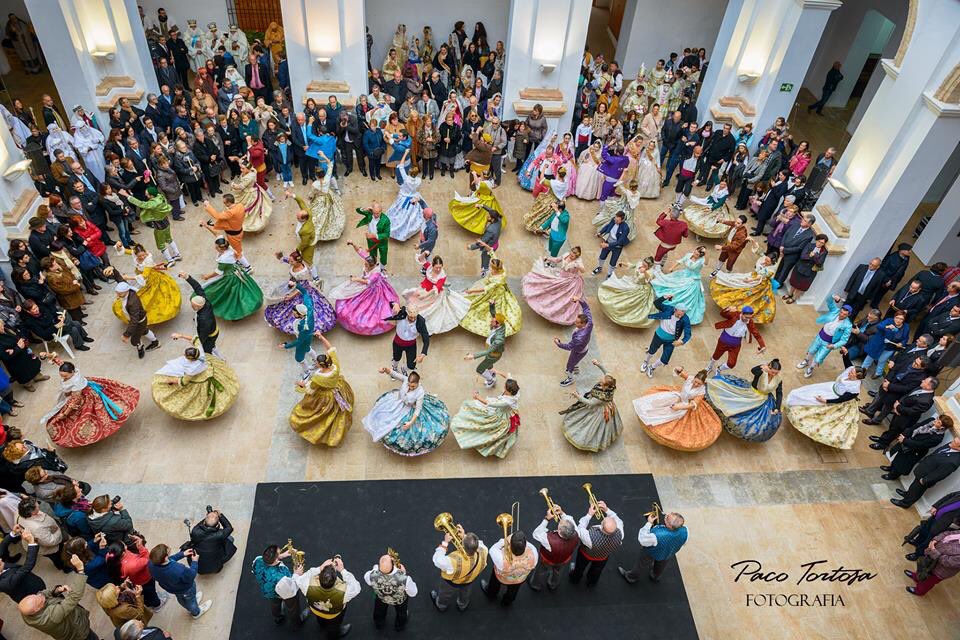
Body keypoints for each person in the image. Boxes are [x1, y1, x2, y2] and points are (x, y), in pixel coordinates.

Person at [39, 358, 139, 448]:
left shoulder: (76, 382)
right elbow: (61, 362)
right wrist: (49, 356)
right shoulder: (72, 370)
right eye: (62, 376)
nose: (64, 378)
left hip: (83, 395)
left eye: (66, 376)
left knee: (88, 413)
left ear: (72, 372)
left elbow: (74, 401)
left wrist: (64, 414)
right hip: (86, 388)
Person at [363, 368, 450, 457]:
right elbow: (394, 374)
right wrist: (385, 370)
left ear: (417, 383)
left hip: (410, 408)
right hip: (398, 403)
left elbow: (418, 410)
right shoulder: (405, 379)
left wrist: (410, 422)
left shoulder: (420, 392)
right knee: (382, 415)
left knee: (407, 433)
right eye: (409, 385)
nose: (410, 388)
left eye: (413, 386)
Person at [289, 334, 354, 447]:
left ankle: (323, 431)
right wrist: (321, 337)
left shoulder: (318, 378)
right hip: (338, 387)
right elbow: (330, 349)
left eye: (317, 363)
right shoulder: (335, 366)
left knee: (319, 412)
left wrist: (300, 384)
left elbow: (311, 388)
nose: (316, 364)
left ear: (321, 365)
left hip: (325, 396)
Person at [635, 367, 722, 451]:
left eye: (699, 384)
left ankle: (651, 419)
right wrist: (679, 368)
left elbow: (693, 405)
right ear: (694, 378)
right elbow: (679, 372)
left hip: (686, 405)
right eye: (695, 382)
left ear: (702, 384)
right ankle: (646, 412)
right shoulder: (689, 378)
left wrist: (679, 407)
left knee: (668, 413)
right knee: (659, 401)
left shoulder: (701, 391)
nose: (696, 384)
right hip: (679, 396)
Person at [152, 337, 239, 421]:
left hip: (200, 380)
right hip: (209, 370)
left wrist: (171, 380)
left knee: (202, 399)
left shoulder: (192, 369)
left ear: (190, 359)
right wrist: (181, 336)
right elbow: (195, 339)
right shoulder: (200, 351)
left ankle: (209, 411)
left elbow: (183, 382)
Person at [785, 365, 865, 450]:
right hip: (829, 388)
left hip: (834, 398)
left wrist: (826, 401)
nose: (849, 372)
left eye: (852, 373)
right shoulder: (850, 370)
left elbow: (841, 399)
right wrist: (845, 354)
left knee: (818, 411)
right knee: (807, 393)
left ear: (857, 377)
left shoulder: (854, 389)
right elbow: (847, 364)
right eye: (851, 370)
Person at [328, 243, 399, 335]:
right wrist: (353, 244)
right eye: (365, 263)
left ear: (372, 265)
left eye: (366, 264)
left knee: (370, 307)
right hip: (365, 285)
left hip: (373, 290)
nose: (364, 265)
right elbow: (360, 252)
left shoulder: (376, 274)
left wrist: (355, 279)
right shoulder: (369, 260)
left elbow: (368, 282)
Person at [706, 359, 783, 442]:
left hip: (764, 399)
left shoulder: (778, 379)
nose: (774, 374)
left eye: (776, 373)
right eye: (773, 372)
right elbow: (753, 371)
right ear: (769, 368)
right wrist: (761, 368)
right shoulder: (762, 371)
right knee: (734, 405)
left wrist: (777, 407)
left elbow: (779, 393)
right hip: (751, 393)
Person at [263, 251, 336, 337]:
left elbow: (304, 286)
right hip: (293, 285)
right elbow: (287, 261)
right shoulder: (296, 263)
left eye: (291, 261)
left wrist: (291, 296)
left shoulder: (303, 272)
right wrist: (280, 257)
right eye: (290, 261)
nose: (290, 262)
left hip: (302, 292)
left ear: (297, 262)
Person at [450, 371, 520, 458]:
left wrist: (477, 397)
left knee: (488, 426)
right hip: (505, 410)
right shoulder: (515, 390)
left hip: (500, 414)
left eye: (505, 387)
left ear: (509, 391)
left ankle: (484, 442)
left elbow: (489, 403)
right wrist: (496, 371)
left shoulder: (506, 402)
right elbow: (507, 376)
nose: (503, 387)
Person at [18, 563, 96, 640]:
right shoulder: (51, 617)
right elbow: (74, 598)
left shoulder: (28, 612)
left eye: (34, 595)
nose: (40, 594)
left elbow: (44, 594)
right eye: (40, 599)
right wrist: (80, 570)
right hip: (79, 633)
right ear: (37, 609)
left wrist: (57, 590)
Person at [560, 360, 622, 452]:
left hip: (599, 410)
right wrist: (598, 364)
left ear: (605, 386)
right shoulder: (610, 381)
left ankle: (584, 440)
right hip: (605, 404)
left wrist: (578, 396)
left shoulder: (601, 397)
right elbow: (606, 371)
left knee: (589, 425)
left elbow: (590, 403)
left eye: (601, 382)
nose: (600, 381)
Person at [709, 244, 780, 324]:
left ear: (772, 262)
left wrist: (750, 280)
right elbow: (758, 251)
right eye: (766, 259)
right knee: (735, 280)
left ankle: (742, 310)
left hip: (759, 283)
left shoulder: (771, 270)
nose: (765, 261)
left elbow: (761, 277)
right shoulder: (764, 259)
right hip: (753, 276)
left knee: (749, 296)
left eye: (768, 261)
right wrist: (752, 241)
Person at [294, 556, 361, 638]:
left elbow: (298, 578)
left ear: (319, 577)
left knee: (320, 618)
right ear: (335, 579)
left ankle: (322, 624)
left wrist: (320, 568)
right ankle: (333, 634)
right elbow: (357, 587)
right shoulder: (344, 592)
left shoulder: (307, 585)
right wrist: (342, 570)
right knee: (334, 626)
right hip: (334, 614)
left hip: (316, 610)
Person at [199, 237, 264, 321]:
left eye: (216, 246)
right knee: (243, 291)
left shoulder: (224, 259)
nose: (215, 247)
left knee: (228, 294)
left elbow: (218, 272)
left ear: (219, 248)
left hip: (229, 277)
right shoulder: (230, 250)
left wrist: (207, 276)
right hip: (237, 272)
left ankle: (234, 314)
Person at [403, 254, 469, 335]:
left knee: (429, 309)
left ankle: (420, 324)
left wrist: (425, 296)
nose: (438, 269)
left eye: (440, 267)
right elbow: (421, 259)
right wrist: (424, 253)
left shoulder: (442, 276)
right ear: (432, 265)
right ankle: (412, 317)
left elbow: (436, 288)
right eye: (436, 267)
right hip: (423, 288)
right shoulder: (429, 267)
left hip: (433, 294)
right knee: (414, 301)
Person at [461, 255, 522, 337]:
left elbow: (485, 289)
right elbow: (495, 257)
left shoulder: (497, 280)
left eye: (491, 268)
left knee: (486, 307)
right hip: (496, 290)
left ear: (496, 269)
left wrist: (471, 291)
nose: (490, 269)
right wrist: (489, 249)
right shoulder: (503, 270)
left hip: (495, 294)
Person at [431, 524, 487, 612]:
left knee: (445, 594)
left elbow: (437, 560)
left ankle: (441, 605)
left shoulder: (453, 562)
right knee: (465, 593)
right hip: (469, 580)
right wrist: (464, 536)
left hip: (451, 582)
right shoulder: (484, 550)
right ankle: (462, 605)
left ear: (463, 546)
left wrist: (445, 543)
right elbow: (479, 543)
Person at [619, 512, 688, 584]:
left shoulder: (657, 536)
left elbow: (642, 540)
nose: (666, 515)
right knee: (661, 565)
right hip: (668, 553)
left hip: (651, 552)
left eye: (667, 518)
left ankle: (631, 577)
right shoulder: (685, 531)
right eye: (670, 513)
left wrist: (649, 523)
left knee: (641, 564)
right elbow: (684, 543)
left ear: (669, 525)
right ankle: (655, 576)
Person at [569, 496, 623, 586]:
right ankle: (591, 582)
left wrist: (589, 515)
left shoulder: (589, 537)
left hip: (585, 554)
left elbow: (580, 529)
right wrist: (607, 510)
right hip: (603, 557)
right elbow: (618, 520)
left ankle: (575, 578)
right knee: (596, 571)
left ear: (601, 525)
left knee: (579, 567)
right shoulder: (620, 533)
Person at [892, 437, 960, 509]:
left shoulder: (953, 462)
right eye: (954, 440)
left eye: (954, 442)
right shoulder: (950, 445)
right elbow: (936, 453)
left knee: (916, 491)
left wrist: (925, 480)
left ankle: (905, 503)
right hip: (923, 470)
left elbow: (940, 474)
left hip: (926, 477)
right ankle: (907, 494)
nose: (951, 442)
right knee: (914, 486)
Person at [522, 248, 585, 325]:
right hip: (561, 275)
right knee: (547, 286)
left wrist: (578, 265)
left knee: (563, 297)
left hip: (570, 281)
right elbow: (557, 260)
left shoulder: (578, 262)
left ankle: (554, 312)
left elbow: (583, 270)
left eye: (573, 256)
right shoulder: (566, 255)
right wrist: (548, 258)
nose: (571, 256)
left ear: (576, 256)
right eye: (571, 254)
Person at [148, 543, 212, 619]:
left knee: (181, 599)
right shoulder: (177, 569)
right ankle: (196, 612)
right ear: (165, 557)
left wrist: (182, 554)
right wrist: (194, 561)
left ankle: (191, 603)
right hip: (186, 589)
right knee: (190, 600)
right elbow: (191, 575)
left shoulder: (151, 564)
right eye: (168, 550)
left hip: (172, 588)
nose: (169, 549)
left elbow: (169, 560)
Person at [795, 295, 853, 378]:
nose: (841, 315)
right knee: (811, 350)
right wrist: (833, 296)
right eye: (841, 312)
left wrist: (834, 345)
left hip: (829, 343)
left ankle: (811, 368)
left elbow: (844, 340)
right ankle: (806, 361)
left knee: (819, 358)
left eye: (844, 314)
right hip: (820, 336)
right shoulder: (835, 311)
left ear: (848, 315)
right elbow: (828, 301)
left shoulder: (848, 325)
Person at [881, 415, 954, 481]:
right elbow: (916, 426)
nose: (935, 420)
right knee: (898, 456)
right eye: (937, 418)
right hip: (908, 441)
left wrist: (905, 440)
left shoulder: (938, 438)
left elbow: (921, 445)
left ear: (942, 427)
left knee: (902, 463)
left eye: (938, 422)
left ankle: (892, 475)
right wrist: (904, 435)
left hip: (915, 451)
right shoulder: (931, 420)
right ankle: (891, 468)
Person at [651, 248, 706, 325]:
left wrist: (706, 254)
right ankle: (663, 302)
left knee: (684, 294)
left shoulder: (701, 261)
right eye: (695, 251)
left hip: (692, 279)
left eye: (697, 254)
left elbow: (703, 263)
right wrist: (672, 268)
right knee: (669, 284)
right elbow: (681, 261)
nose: (694, 254)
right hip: (683, 274)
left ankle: (675, 309)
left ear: (700, 256)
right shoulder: (689, 255)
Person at [364, 552, 416, 631]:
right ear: (393, 565)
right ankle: (399, 626)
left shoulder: (371, 575)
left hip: (381, 597)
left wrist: (375, 568)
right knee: (402, 613)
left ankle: (379, 624)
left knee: (379, 611)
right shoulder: (405, 579)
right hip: (399, 600)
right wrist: (404, 573)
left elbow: (368, 581)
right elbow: (413, 593)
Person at [706, 306, 765, 374]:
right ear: (742, 313)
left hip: (736, 345)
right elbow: (723, 314)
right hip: (724, 340)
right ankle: (709, 367)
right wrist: (728, 309)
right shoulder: (734, 314)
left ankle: (719, 369)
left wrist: (762, 345)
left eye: (749, 317)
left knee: (731, 363)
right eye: (746, 317)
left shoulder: (750, 322)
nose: (747, 319)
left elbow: (756, 334)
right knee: (716, 356)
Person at [203, 193, 253, 271]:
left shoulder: (231, 212)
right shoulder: (240, 206)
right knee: (236, 249)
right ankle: (240, 261)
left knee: (238, 251)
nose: (224, 204)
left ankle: (248, 267)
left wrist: (208, 206)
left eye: (225, 202)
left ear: (229, 202)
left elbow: (217, 216)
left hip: (233, 235)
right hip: (239, 230)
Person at [252, 544, 298, 626]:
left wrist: (281, 556)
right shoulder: (280, 577)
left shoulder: (258, 559)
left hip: (268, 591)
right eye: (279, 552)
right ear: (275, 560)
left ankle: (278, 618)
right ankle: (296, 623)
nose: (281, 550)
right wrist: (296, 574)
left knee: (275, 604)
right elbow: (291, 587)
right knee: (291, 606)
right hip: (280, 591)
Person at [180, 272, 221, 356]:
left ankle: (218, 359)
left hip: (210, 336)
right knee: (213, 347)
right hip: (213, 329)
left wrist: (197, 346)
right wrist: (187, 277)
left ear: (197, 307)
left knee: (208, 351)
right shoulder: (205, 301)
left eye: (192, 304)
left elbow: (202, 336)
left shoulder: (204, 319)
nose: (191, 305)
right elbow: (198, 287)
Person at [0, 527, 45, 602]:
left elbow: (2, 546)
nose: (1, 559)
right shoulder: (4, 584)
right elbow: (27, 567)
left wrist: (13, 533)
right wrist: (31, 543)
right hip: (31, 594)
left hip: (31, 580)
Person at [189, 508, 237, 575]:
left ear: (204, 522)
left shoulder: (195, 531)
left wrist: (209, 516)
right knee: (230, 538)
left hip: (199, 569)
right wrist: (220, 516)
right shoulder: (220, 534)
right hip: (216, 568)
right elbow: (229, 528)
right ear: (217, 524)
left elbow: (200, 525)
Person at [592, 212, 631, 278]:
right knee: (602, 256)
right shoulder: (614, 219)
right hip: (609, 240)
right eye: (615, 218)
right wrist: (600, 232)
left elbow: (620, 241)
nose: (615, 220)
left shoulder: (625, 228)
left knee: (613, 262)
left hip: (617, 247)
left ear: (622, 220)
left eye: (617, 220)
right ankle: (599, 268)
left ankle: (609, 274)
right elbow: (608, 226)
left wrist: (607, 245)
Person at [467, 207, 503, 277]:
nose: (487, 216)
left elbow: (482, 242)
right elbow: (491, 210)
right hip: (495, 243)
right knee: (486, 257)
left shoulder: (490, 230)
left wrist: (471, 247)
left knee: (485, 259)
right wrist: (482, 205)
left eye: (489, 216)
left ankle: (484, 276)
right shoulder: (499, 220)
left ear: (492, 218)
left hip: (489, 247)